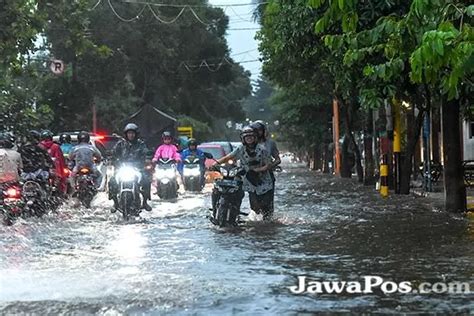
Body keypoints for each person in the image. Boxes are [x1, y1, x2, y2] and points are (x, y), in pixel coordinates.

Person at [214, 126, 274, 220]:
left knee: (265, 205)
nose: (249, 139)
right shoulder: (240, 148)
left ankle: (266, 222)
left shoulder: (262, 149)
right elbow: (229, 157)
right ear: (243, 139)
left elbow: (268, 165)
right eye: (247, 137)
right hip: (249, 180)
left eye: (251, 137)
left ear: (255, 138)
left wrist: (256, 170)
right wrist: (216, 163)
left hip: (263, 180)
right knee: (254, 206)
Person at [109, 123, 152, 212]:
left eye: (132, 133)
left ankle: (145, 202)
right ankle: (115, 203)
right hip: (122, 169)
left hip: (137, 169)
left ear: (136, 134)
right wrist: (112, 160)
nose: (131, 135)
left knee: (147, 180)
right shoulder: (120, 144)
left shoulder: (141, 144)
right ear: (126, 134)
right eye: (129, 133)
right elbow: (113, 154)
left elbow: (146, 153)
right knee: (112, 181)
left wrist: (146, 159)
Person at [250, 120, 281, 213]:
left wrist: (270, 166)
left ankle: (267, 223)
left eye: (259, 130)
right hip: (253, 177)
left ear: (264, 131)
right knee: (254, 205)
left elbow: (278, 159)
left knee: (267, 204)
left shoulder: (270, 143)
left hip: (267, 176)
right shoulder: (249, 143)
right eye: (255, 130)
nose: (258, 132)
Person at [39, 130, 68, 195]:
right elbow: (60, 160)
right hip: (54, 171)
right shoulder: (56, 146)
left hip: (43, 170)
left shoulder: (39, 146)